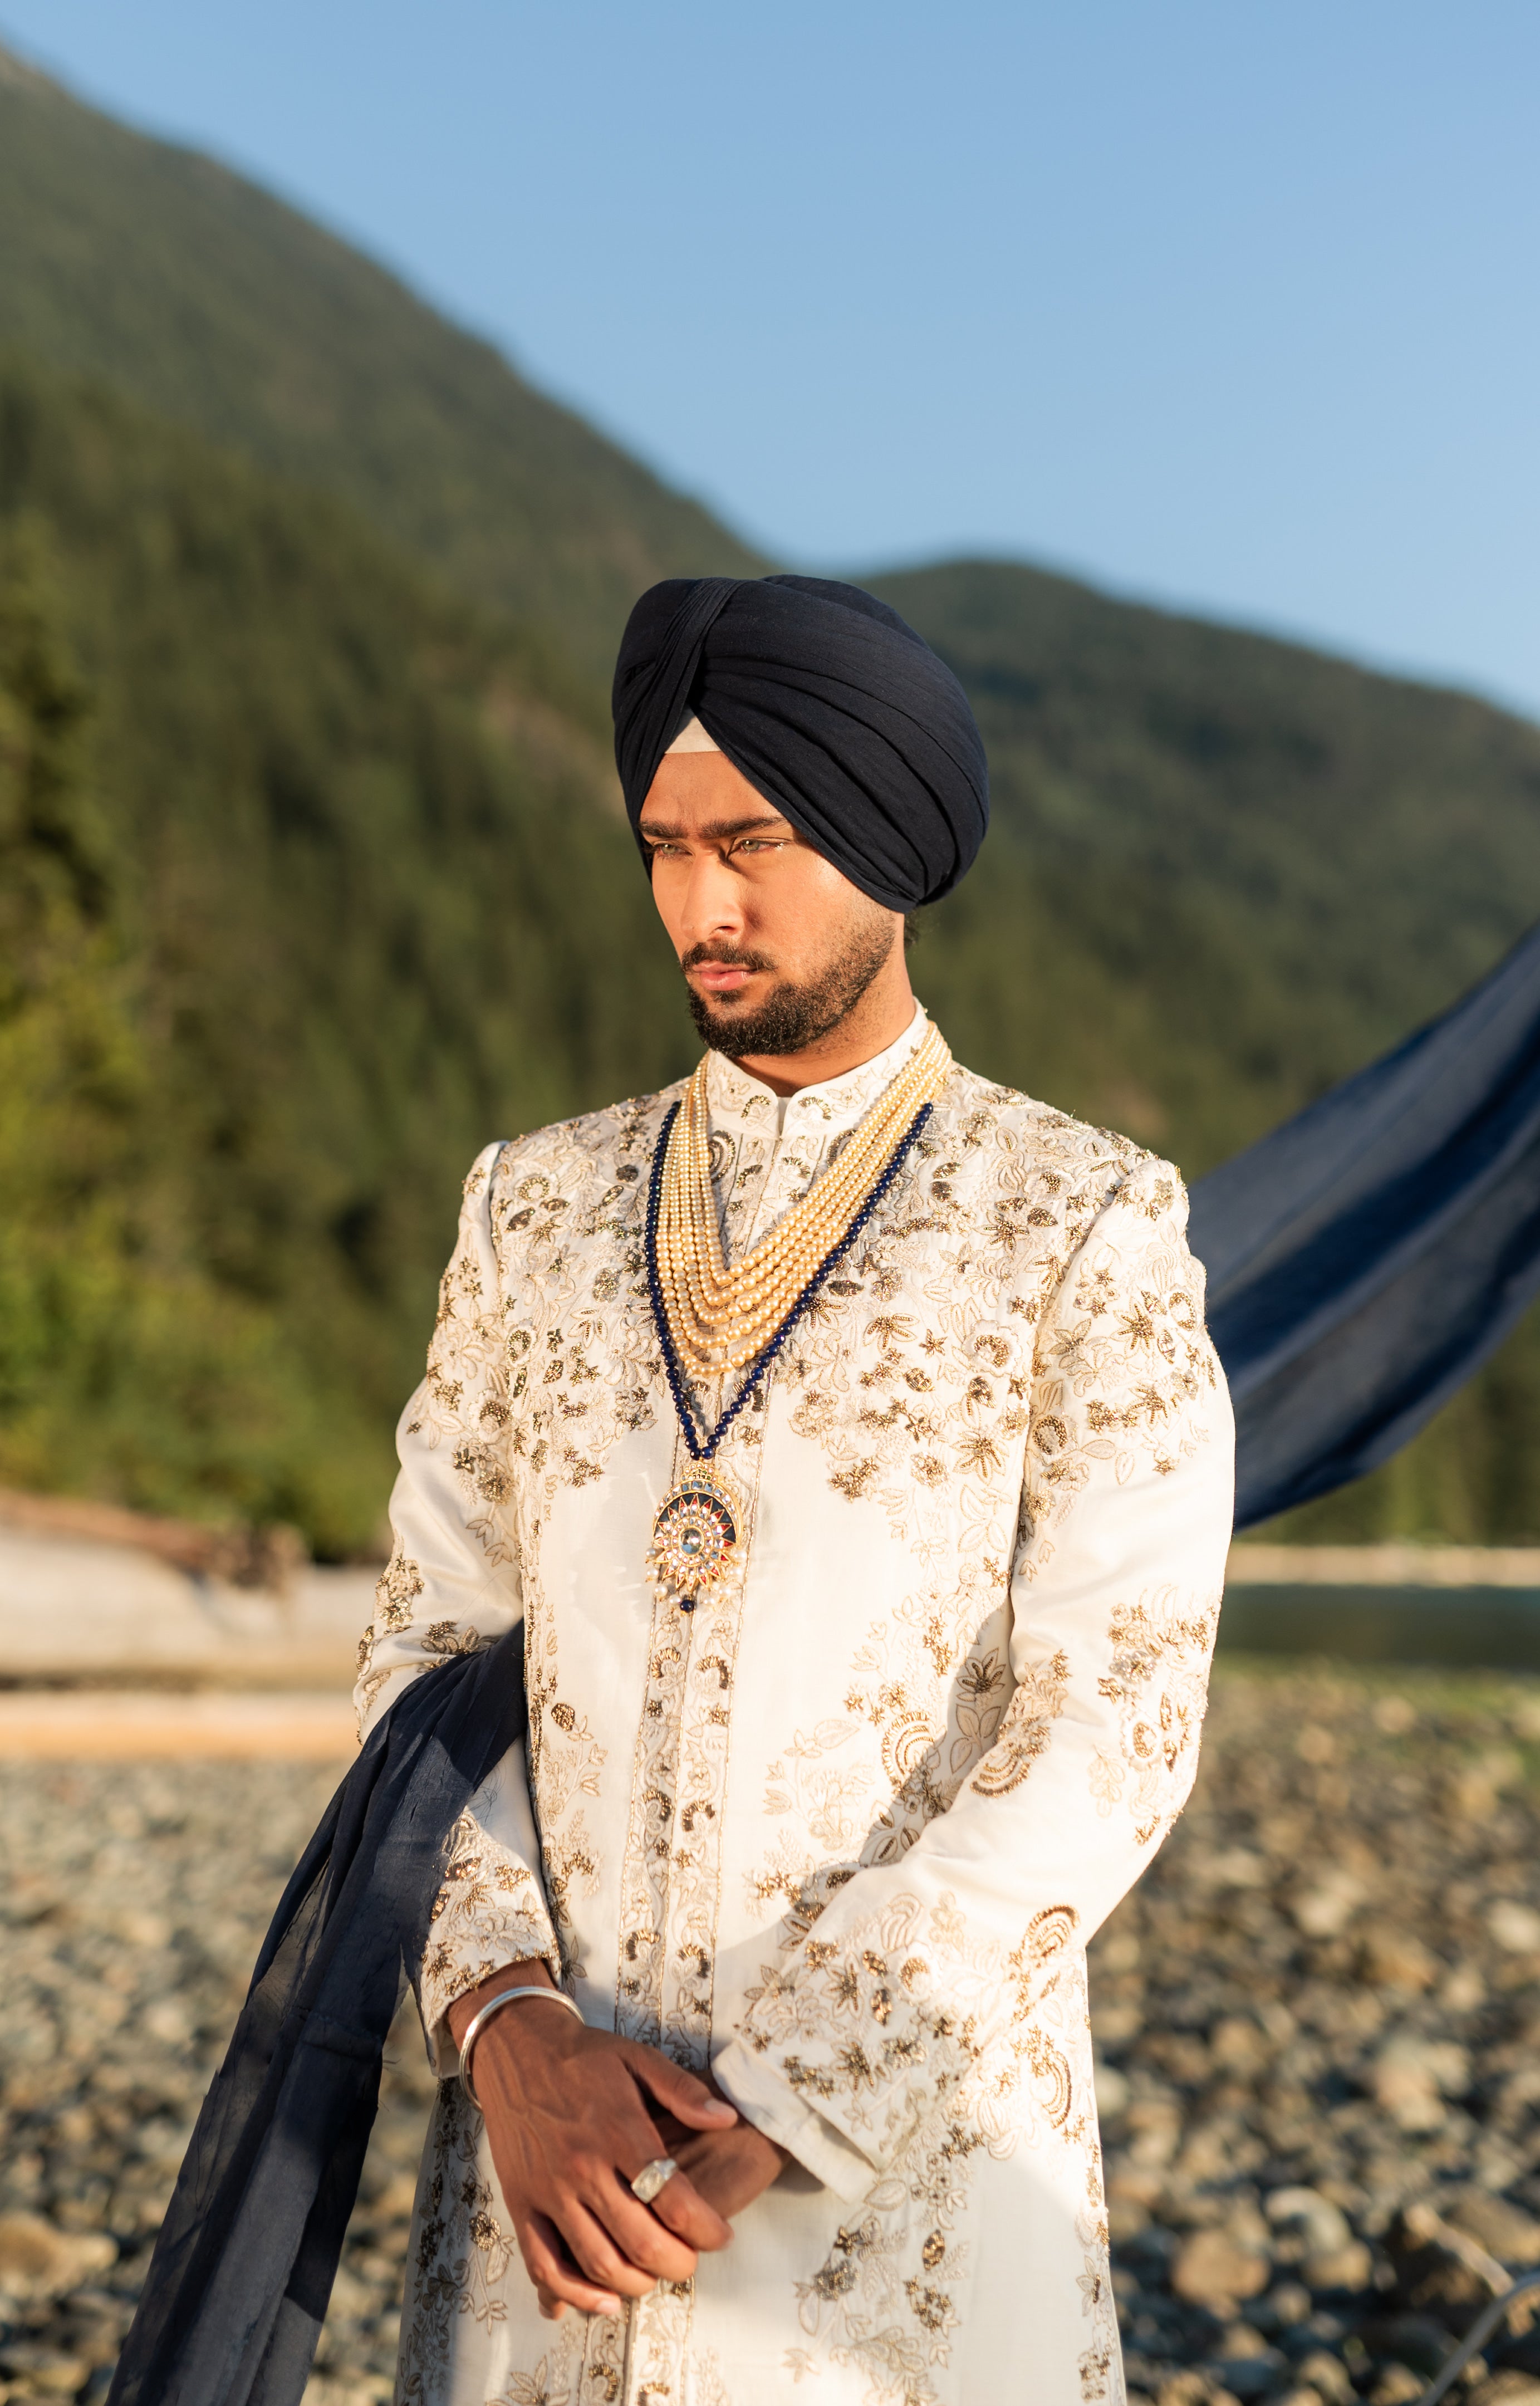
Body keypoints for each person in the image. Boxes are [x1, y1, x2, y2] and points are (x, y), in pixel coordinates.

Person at [355, 575, 1234, 2406]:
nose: (701, 905)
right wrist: (507, 2026)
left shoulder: (1078, 1222)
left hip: (902, 2200)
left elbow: (1113, 1723)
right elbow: (425, 1657)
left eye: (751, 843)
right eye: (667, 846)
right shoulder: (531, 1212)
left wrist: (784, 2102)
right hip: (556, 2187)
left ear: (889, 835)